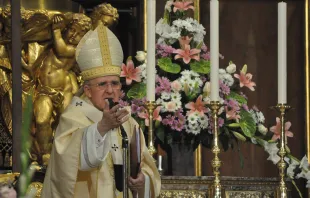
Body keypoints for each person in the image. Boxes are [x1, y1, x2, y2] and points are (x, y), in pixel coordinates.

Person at [42, 22, 161, 198]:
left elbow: (145, 167)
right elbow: (67, 167)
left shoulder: (127, 121)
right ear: (88, 90)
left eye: (114, 83)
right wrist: (101, 128)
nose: (110, 90)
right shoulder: (73, 117)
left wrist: (142, 181)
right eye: (102, 84)